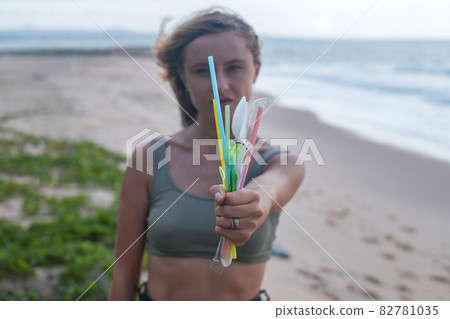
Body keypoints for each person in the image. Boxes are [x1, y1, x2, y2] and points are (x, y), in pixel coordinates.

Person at [108, 7, 304, 301]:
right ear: (183, 78)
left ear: (257, 70)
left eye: (235, 67)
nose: (221, 85)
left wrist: (253, 204)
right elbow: (124, 273)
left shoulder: (281, 162)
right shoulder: (148, 159)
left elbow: (268, 189)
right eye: (203, 71)